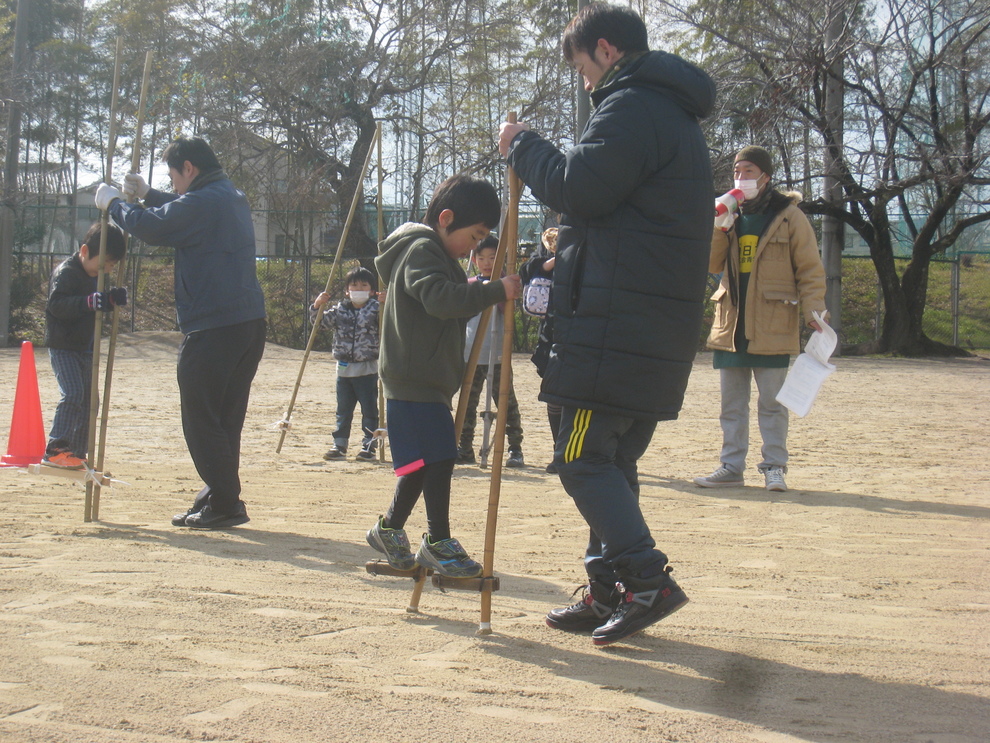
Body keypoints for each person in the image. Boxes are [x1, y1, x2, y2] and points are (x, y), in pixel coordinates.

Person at [498, 2, 714, 646]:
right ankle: (606, 589)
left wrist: (522, 147)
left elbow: (580, 187)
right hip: (642, 324)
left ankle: (648, 580)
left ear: (606, 50)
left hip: (617, 325)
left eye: (583, 69)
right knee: (609, 461)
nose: (584, 82)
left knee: (580, 459)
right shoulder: (665, 110)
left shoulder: (633, 106)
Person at [97, 135, 267, 530]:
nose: (173, 184)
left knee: (200, 417)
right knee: (225, 418)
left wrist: (115, 204)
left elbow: (152, 228)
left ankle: (226, 500)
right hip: (246, 324)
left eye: (173, 176)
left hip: (214, 326)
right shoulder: (228, 196)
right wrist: (151, 193)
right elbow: (180, 209)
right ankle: (219, 493)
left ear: (189, 168)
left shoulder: (205, 201)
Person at [365, 174, 521, 578]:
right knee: (439, 458)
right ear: (447, 218)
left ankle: (389, 529)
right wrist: (492, 291)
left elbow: (446, 301)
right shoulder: (422, 250)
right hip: (414, 378)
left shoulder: (438, 257)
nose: (475, 246)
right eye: (475, 236)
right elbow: (438, 300)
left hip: (425, 379)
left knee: (420, 463)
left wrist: (480, 289)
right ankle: (438, 540)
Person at [694, 145, 827, 493]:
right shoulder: (730, 213)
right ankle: (731, 466)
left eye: (749, 171)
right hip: (731, 324)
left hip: (773, 321)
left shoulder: (790, 215)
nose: (741, 178)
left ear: (766, 176)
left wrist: (815, 312)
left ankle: (774, 467)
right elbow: (710, 264)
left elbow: (810, 268)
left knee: (772, 403)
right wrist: (719, 227)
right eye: (737, 172)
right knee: (731, 406)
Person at [43, 222, 127, 469]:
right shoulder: (66, 272)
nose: (108, 269)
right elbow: (57, 305)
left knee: (91, 400)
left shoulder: (99, 276)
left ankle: (77, 452)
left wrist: (110, 299)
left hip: (85, 346)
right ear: (84, 251)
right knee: (74, 393)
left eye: (112, 265)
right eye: (104, 263)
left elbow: (99, 303)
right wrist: (89, 302)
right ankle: (56, 448)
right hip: (63, 346)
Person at [458, 234, 525, 468]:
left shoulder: (506, 285)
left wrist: (499, 289)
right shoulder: (468, 285)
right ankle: (464, 448)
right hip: (471, 355)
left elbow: (509, 312)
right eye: (482, 257)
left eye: (492, 257)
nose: (487, 262)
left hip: (497, 355)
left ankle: (515, 448)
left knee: (506, 403)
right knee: (467, 403)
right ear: (474, 259)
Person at [309, 266, 381, 462]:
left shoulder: (376, 309)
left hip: (367, 368)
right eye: (354, 286)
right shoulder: (340, 309)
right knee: (343, 410)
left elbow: (390, 323)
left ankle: (369, 445)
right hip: (344, 369)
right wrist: (317, 306)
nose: (358, 289)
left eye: (364, 285)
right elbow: (320, 324)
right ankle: (339, 445)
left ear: (372, 290)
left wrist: (387, 304)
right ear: (347, 291)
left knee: (369, 410)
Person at [518, 227, 560, 474]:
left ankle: (579, 452)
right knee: (553, 392)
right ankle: (560, 451)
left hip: (588, 329)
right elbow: (527, 271)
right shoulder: (551, 240)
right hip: (554, 333)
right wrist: (553, 262)